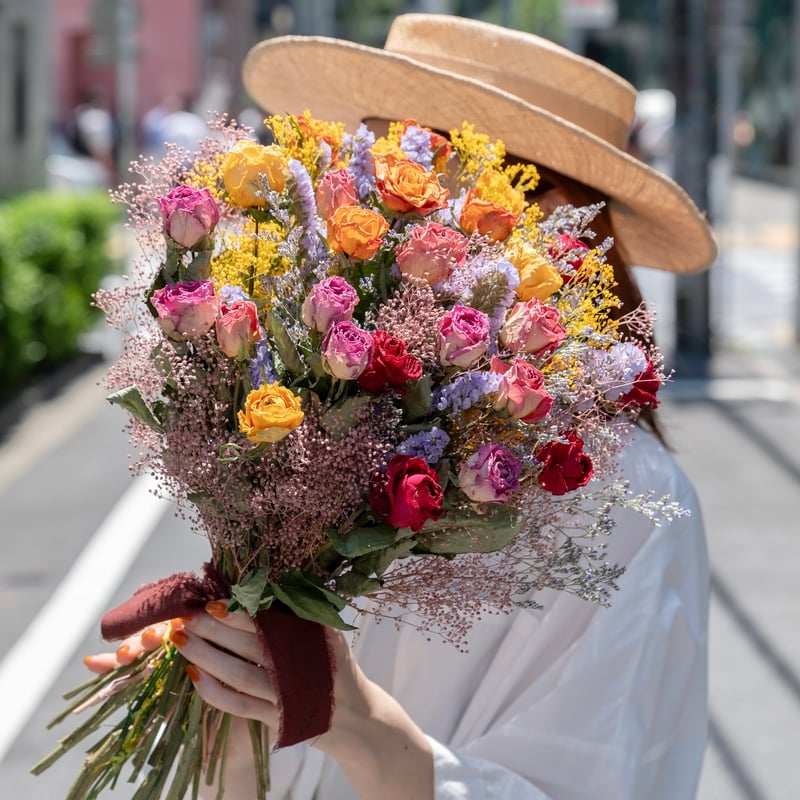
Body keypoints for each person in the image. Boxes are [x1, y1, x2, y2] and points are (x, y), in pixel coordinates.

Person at [86, 14, 716, 799]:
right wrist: (226, 694)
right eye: (377, 158)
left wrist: (365, 732)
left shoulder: (634, 503)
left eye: (430, 163)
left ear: (556, 215)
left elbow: (608, 772)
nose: (384, 199)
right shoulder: (351, 406)